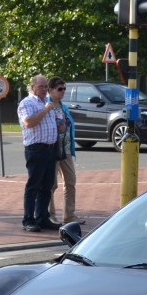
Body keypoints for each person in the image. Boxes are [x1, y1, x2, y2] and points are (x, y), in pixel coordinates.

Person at [16, 74, 63, 232]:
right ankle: (28, 220)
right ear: (33, 87)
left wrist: (60, 124)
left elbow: (53, 123)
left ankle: (42, 218)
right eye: (41, 86)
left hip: (50, 148)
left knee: (47, 186)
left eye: (45, 87)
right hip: (36, 149)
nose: (44, 89)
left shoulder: (47, 103)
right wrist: (46, 109)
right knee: (33, 186)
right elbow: (29, 122)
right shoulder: (27, 103)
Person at [45, 77, 84, 225]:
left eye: (64, 89)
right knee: (51, 184)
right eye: (59, 89)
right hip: (52, 148)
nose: (63, 92)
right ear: (50, 90)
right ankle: (50, 215)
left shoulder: (63, 106)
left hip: (66, 148)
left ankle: (69, 215)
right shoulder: (46, 105)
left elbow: (68, 124)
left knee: (71, 181)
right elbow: (45, 124)